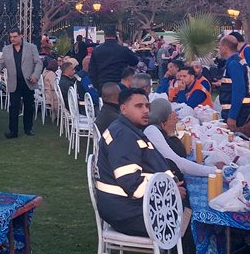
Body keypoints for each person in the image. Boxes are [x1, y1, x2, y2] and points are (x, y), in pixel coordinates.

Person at [93, 88, 176, 236]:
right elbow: (133, 185)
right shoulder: (123, 136)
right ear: (123, 109)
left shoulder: (128, 129)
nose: (146, 111)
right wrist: (169, 190)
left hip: (127, 206)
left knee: (188, 210)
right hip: (127, 211)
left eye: (147, 106)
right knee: (187, 220)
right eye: (139, 106)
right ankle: (185, 248)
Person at [144, 97, 220, 178]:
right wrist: (213, 170)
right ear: (164, 119)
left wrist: (170, 133)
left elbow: (180, 153)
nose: (175, 115)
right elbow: (178, 161)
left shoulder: (155, 129)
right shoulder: (151, 131)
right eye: (170, 113)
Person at [0, 29, 43, 139]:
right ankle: (13, 131)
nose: (12, 39)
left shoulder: (31, 47)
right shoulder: (6, 49)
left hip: (28, 81)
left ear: (21, 36)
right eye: (11, 37)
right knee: (13, 107)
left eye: (15, 36)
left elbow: (39, 63)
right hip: (14, 82)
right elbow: (1, 63)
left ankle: (28, 128)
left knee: (28, 106)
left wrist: (35, 75)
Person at [218, 34, 250, 130]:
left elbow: (239, 91)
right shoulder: (238, 61)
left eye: (220, 46)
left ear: (225, 48)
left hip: (238, 113)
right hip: (240, 110)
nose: (219, 49)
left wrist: (232, 116)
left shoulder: (234, 64)